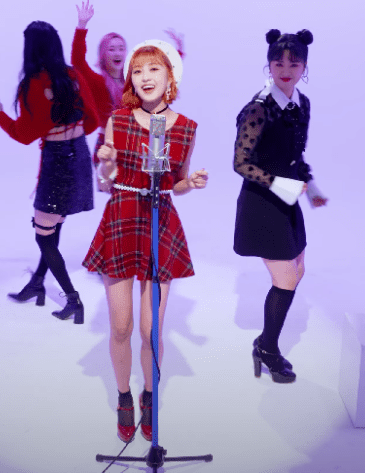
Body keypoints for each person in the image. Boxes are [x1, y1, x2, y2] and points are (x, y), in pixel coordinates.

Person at [83, 41, 208, 443]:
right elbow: (106, 182)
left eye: (154, 69)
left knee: (151, 330)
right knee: (121, 327)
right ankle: (124, 396)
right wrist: (106, 166)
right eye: (137, 71)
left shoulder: (186, 127)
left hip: (160, 222)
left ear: (170, 76)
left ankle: (149, 396)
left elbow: (177, 183)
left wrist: (192, 183)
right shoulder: (118, 120)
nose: (145, 77)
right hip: (122, 218)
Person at [0, 20, 99, 323]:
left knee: (44, 237)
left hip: (57, 160)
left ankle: (73, 300)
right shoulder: (72, 76)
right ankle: (37, 284)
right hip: (79, 156)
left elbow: (24, 134)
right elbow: (92, 120)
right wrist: (69, 134)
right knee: (53, 225)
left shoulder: (33, 83)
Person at [232, 29, 327, 384]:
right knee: (285, 278)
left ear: (305, 66)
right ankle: (268, 349)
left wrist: (311, 186)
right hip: (262, 202)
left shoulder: (302, 104)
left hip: (287, 200)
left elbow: (295, 155)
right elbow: (240, 163)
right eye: (278, 63)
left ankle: (265, 343)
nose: (286, 70)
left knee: (297, 271)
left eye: (294, 63)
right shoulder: (259, 107)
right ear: (269, 65)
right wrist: (280, 184)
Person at [71, 0, 185, 174]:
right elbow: (78, 62)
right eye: (111, 49)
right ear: (103, 54)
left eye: (121, 48)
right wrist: (81, 26)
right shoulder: (97, 81)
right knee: (115, 189)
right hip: (108, 147)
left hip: (135, 145)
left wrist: (179, 52)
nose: (117, 53)